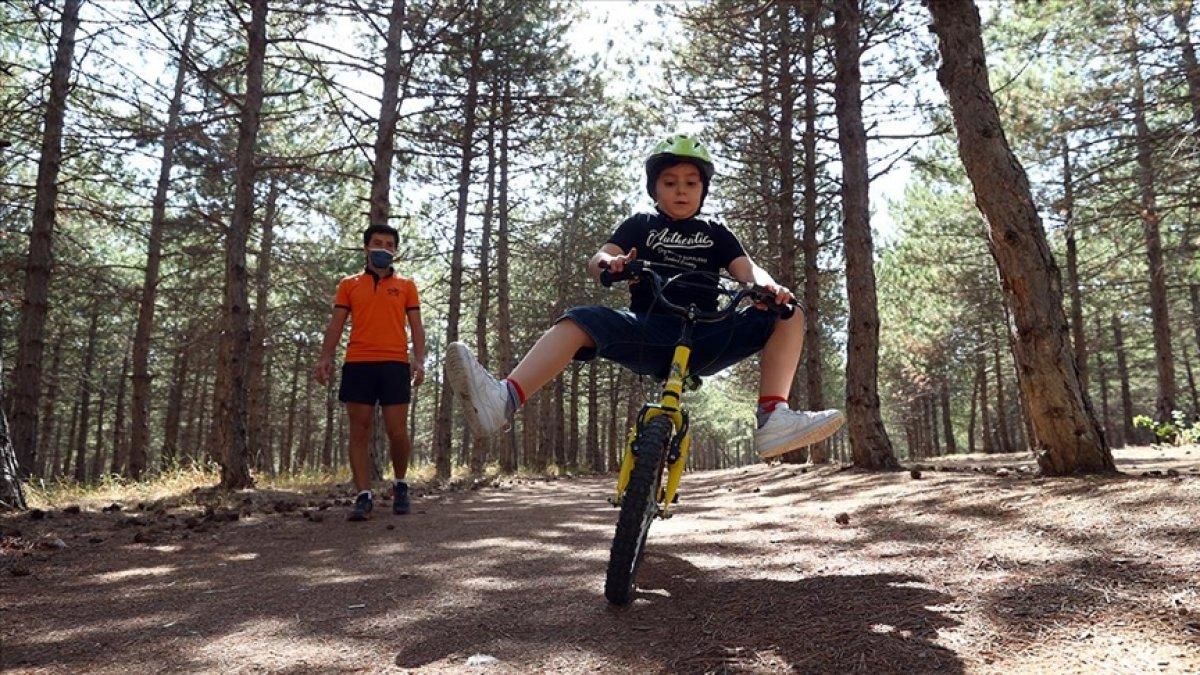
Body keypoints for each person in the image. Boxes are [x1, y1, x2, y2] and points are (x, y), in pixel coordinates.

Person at [445, 134, 843, 460]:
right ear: (655, 188)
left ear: (703, 190)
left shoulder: (716, 231)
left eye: (691, 183)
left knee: (789, 312)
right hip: (649, 329)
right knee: (577, 320)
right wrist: (611, 265)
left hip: (708, 335)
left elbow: (748, 270)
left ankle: (774, 417)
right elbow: (598, 257)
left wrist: (769, 287)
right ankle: (504, 400)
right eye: (670, 183)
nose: (681, 191)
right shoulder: (640, 224)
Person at [315, 223, 426, 521]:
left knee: (397, 431)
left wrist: (420, 360)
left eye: (389, 244)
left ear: (395, 251)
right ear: (366, 247)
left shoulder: (406, 285)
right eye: (377, 243)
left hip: (394, 363)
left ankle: (400, 485)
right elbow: (336, 324)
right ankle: (363, 494)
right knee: (359, 430)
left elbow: (416, 326)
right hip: (358, 363)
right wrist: (325, 357)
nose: (383, 248)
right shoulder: (348, 284)